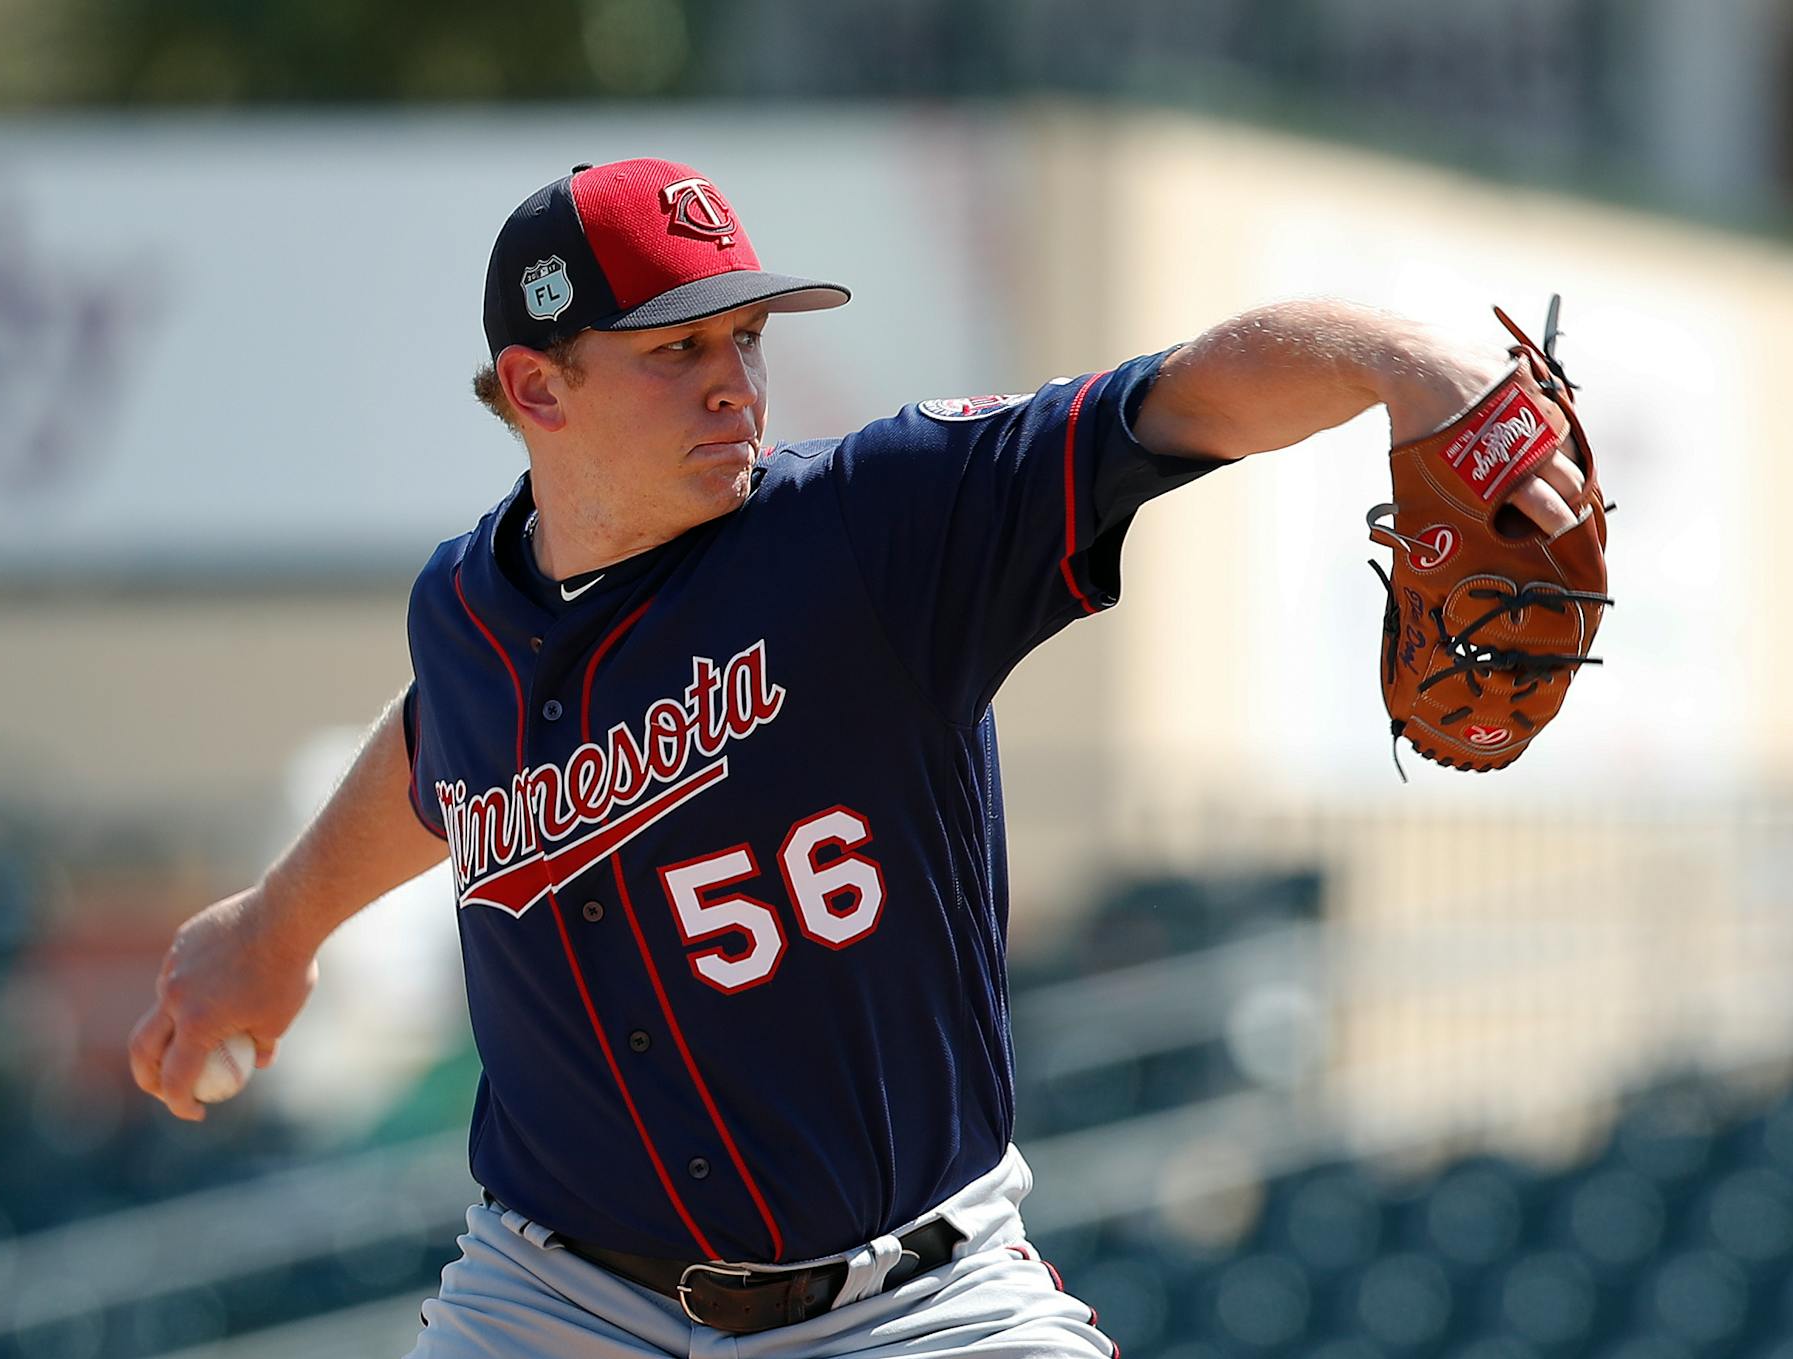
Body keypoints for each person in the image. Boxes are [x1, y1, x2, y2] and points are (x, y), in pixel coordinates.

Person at [128, 157, 1589, 1356]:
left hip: (913, 1306)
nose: (736, 382)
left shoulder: (882, 526)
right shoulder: (467, 610)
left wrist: (1413, 361)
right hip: (556, 1303)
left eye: (745, 337)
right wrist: (276, 926)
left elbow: (1187, 395)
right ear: (537, 387)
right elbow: (441, 753)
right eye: (677, 348)